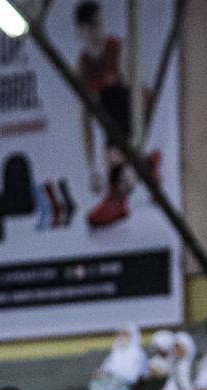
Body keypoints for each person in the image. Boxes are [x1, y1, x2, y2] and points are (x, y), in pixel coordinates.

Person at [74, 1, 146, 229]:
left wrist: (135, 153)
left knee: (115, 99)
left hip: (135, 116)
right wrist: (91, 167)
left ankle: (133, 168)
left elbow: (138, 102)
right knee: (101, 106)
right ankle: (115, 183)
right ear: (81, 31)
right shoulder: (83, 64)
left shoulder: (118, 52)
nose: (99, 32)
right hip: (113, 127)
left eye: (101, 24)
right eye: (94, 26)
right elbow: (84, 118)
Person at [91, 325, 149, 390]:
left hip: (128, 386)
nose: (122, 337)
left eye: (125, 334)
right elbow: (106, 367)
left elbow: (133, 376)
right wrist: (100, 373)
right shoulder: (117, 352)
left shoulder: (138, 354)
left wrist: (117, 377)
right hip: (112, 382)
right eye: (121, 334)